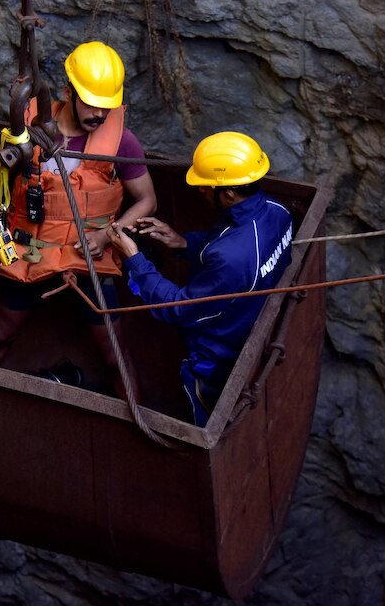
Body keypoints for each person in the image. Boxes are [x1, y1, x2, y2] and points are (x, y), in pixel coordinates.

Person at [0, 41, 157, 396]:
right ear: (69, 91)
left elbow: (147, 200)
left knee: (114, 351)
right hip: (28, 250)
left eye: (106, 106)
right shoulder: (27, 127)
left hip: (89, 256)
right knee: (0, 333)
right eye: (90, 103)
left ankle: (139, 419)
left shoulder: (122, 142)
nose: (99, 115)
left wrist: (107, 235)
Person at [105, 131, 293, 425]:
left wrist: (134, 258)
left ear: (228, 193)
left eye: (206, 188)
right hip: (244, 320)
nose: (200, 192)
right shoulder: (277, 212)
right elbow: (229, 245)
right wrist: (184, 243)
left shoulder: (233, 258)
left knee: (201, 413)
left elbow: (178, 308)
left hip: (216, 356)